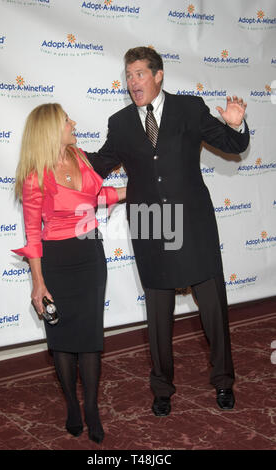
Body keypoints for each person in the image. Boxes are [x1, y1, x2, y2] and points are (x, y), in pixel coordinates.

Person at [86, 46, 250, 416]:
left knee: (212, 309)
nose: (132, 82)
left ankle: (224, 381)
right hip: (148, 222)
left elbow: (232, 145)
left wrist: (235, 123)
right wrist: (65, 156)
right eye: (128, 76)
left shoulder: (189, 109)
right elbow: (100, 163)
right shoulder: (120, 122)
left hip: (192, 221)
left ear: (158, 75)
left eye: (139, 74)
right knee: (158, 317)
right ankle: (162, 388)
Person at [12, 103, 126, 443]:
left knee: (91, 337)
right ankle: (72, 407)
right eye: (66, 120)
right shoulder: (35, 176)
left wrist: (132, 191)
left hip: (91, 254)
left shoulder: (81, 159)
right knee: (61, 339)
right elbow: (33, 233)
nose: (73, 123)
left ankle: (90, 408)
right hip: (57, 261)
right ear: (51, 129)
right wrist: (39, 283)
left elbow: (96, 196)